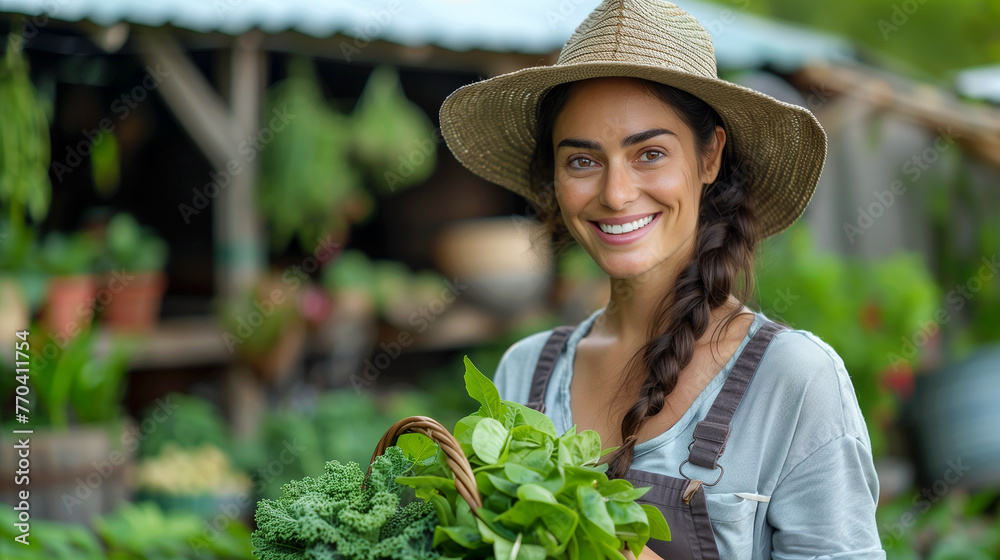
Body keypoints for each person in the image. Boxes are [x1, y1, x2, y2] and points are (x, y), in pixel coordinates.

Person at [438, 0, 884, 558]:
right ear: (553, 173)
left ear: (709, 157)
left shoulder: (793, 381)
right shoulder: (524, 373)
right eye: (582, 161)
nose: (616, 194)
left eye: (649, 153)